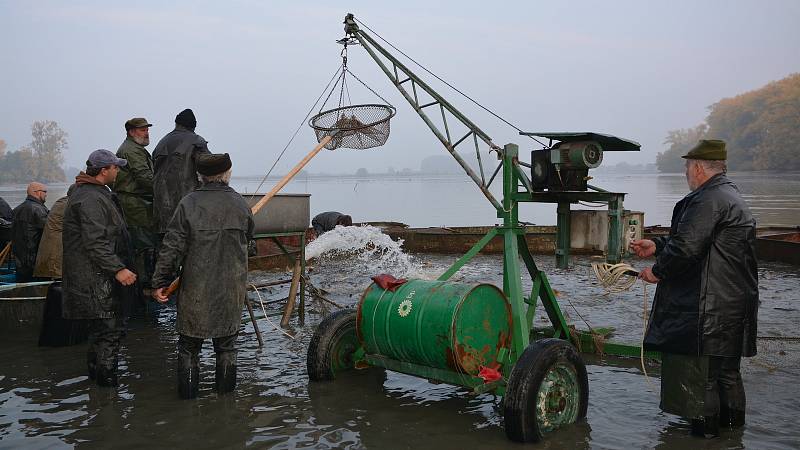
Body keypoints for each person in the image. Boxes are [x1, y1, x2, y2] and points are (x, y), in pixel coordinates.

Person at [630, 139, 758, 437]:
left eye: (687, 166)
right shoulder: (730, 195)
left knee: (705, 379)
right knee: (727, 374)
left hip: (708, 309)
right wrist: (658, 245)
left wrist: (657, 272)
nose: (686, 172)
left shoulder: (708, 199)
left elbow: (687, 248)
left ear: (699, 167)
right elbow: (705, 244)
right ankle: (732, 435)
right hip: (733, 305)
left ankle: (704, 437)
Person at [152, 153, 254, 399]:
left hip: (195, 288)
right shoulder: (241, 204)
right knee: (227, 347)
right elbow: (250, 244)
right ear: (227, 174)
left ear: (200, 176)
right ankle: (225, 403)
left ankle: (187, 402)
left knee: (189, 348)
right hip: (231, 288)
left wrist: (159, 282)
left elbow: (172, 247)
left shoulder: (188, 203)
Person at [62, 150, 137, 387]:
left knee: (100, 336)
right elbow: (95, 241)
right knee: (108, 335)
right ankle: (107, 394)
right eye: (116, 167)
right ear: (104, 170)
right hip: (96, 283)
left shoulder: (93, 193)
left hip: (94, 280)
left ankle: (98, 395)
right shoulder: (90, 198)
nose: (118, 171)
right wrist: (118, 269)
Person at [113, 117, 157, 302]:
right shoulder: (132, 150)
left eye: (147, 129)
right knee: (143, 245)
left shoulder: (134, 149)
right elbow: (145, 178)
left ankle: (141, 287)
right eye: (142, 130)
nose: (146, 132)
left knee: (142, 244)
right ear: (132, 132)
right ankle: (142, 289)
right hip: (134, 204)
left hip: (136, 202)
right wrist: (165, 192)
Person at [152, 108, 210, 237]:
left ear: (177, 123)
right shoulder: (197, 141)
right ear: (193, 125)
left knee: (166, 248)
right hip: (187, 207)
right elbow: (210, 168)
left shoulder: (161, 143)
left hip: (161, 211)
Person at [34, 184, 76, 278]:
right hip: (56, 253)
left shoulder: (62, 201)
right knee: (55, 280)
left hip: (49, 252)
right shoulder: (69, 204)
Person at [11, 182, 49, 282]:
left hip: (19, 260)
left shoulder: (16, 209)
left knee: (22, 287)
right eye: (45, 191)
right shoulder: (39, 210)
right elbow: (49, 233)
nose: (46, 194)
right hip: (35, 260)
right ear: (37, 193)